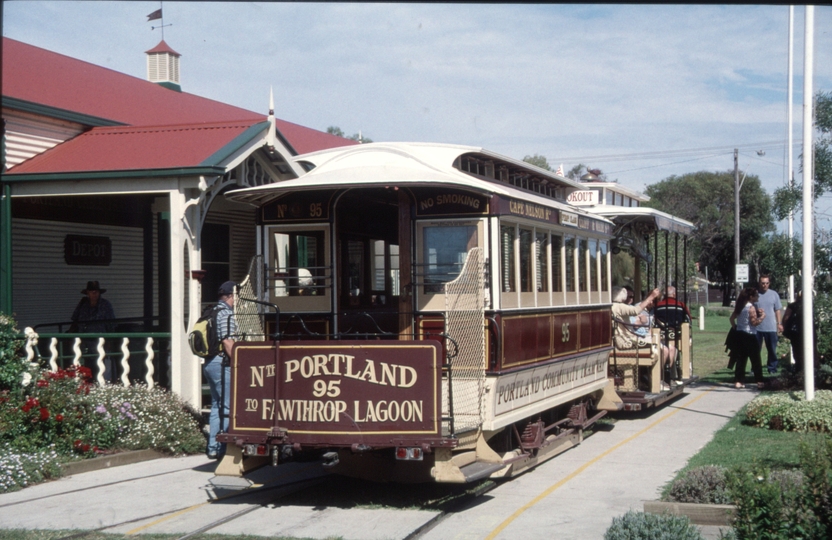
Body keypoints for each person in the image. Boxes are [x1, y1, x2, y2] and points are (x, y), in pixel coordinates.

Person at [612, 286, 675, 390]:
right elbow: (636, 310)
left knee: (661, 346)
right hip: (627, 341)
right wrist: (651, 297)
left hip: (625, 338)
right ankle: (654, 379)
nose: (629, 298)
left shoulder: (613, 306)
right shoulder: (619, 306)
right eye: (628, 296)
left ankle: (653, 377)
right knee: (661, 349)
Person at [203, 280, 238, 460]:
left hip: (209, 363)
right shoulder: (226, 314)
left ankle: (213, 447)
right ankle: (223, 447)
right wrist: (239, 363)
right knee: (227, 405)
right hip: (221, 363)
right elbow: (227, 341)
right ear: (232, 296)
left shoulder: (212, 310)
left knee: (216, 405)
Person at [71, 281, 116, 382]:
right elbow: (75, 319)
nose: (94, 294)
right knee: (85, 365)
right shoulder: (83, 304)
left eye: (96, 292)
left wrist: (109, 340)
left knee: (101, 365)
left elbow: (111, 324)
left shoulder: (105, 305)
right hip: (84, 340)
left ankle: (101, 384)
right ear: (88, 293)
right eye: (91, 292)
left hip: (100, 340)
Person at [729, 287, 766, 389]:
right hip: (749, 335)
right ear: (751, 297)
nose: (757, 297)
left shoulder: (740, 306)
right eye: (756, 295)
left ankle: (738, 381)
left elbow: (732, 319)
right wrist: (762, 317)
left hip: (740, 334)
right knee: (755, 359)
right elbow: (754, 323)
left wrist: (735, 327)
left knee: (741, 358)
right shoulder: (751, 307)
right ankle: (759, 381)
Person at [755, 274, 783, 374]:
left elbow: (777, 310)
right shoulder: (755, 294)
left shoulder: (774, 294)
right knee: (755, 350)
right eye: (763, 283)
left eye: (767, 283)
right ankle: (755, 369)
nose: (765, 285)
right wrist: (756, 311)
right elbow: (750, 309)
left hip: (771, 327)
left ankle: (772, 369)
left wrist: (779, 323)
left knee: (772, 350)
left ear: (769, 283)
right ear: (759, 283)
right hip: (757, 327)